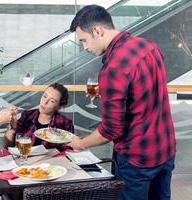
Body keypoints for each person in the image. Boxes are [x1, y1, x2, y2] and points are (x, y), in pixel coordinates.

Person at [67, 5, 176, 200]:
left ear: (97, 31)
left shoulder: (113, 68)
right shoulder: (147, 46)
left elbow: (110, 131)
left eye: (84, 40)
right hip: (165, 150)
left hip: (136, 161)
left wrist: (80, 144)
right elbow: (146, 90)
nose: (85, 47)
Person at [4, 82, 74, 151]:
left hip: (49, 161)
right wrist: (12, 127)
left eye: (52, 101)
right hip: (25, 159)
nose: (45, 102)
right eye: (44, 96)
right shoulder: (27, 116)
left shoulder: (65, 123)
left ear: (59, 107)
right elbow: (9, 147)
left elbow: (67, 152)